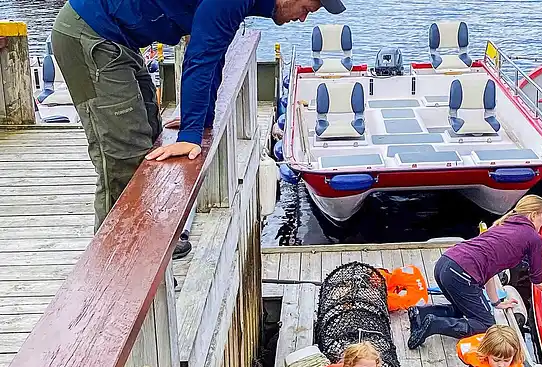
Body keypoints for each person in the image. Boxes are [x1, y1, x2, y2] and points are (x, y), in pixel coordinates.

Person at [50, 0, 345, 256]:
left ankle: (142, 238)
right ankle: (117, 261)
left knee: (150, 132)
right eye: (306, 8)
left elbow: (215, 52)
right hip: (90, 35)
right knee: (123, 154)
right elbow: (200, 56)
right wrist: (190, 134)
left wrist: (201, 118)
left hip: (121, 40)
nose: (303, 17)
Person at [407, 195, 542, 350]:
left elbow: (491, 270)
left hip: (445, 263)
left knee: (466, 309)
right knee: (485, 325)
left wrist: (496, 302)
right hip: (461, 273)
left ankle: (421, 313)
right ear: (533, 215)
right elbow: (538, 279)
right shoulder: (533, 238)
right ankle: (435, 324)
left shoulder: (502, 225)